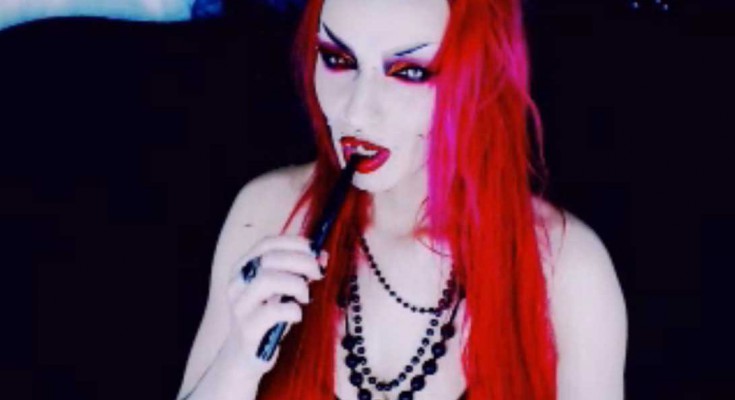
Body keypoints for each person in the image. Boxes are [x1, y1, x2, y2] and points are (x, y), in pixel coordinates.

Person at [177, 0, 628, 399]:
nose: (357, 111)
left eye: (410, 72)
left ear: (483, 75)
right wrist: (237, 364)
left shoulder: (566, 267)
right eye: (337, 59)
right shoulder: (268, 214)